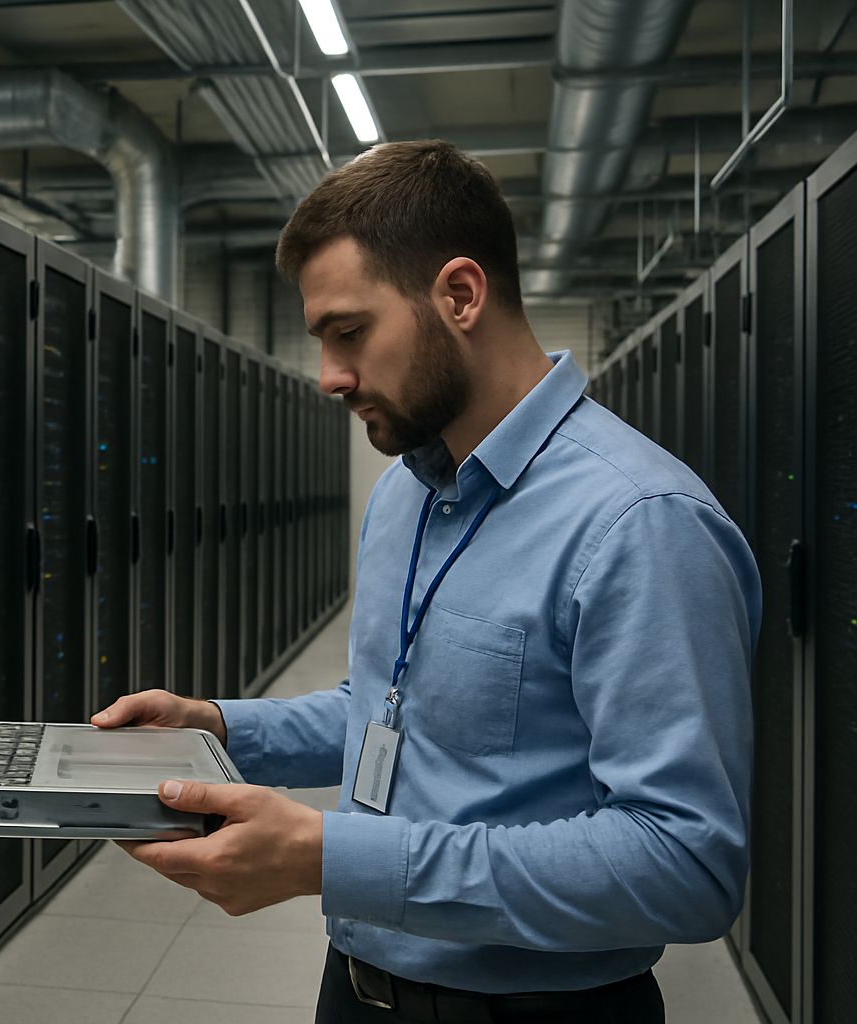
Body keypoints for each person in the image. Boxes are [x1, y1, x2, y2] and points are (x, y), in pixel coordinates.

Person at [90, 139, 761, 1023]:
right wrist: (216, 726)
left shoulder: (639, 522)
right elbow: (393, 707)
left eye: (349, 331)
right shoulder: (409, 491)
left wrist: (335, 859)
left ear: (459, 294)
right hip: (358, 985)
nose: (329, 376)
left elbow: (687, 864)